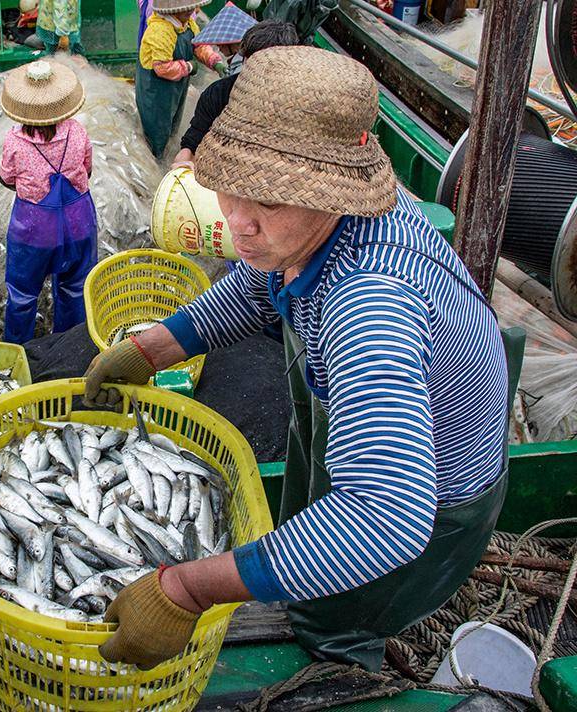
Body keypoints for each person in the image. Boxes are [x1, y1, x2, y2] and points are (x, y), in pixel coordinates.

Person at [86, 47, 514, 672]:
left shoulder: (371, 310)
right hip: (360, 444)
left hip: (430, 509)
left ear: (330, 194)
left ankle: (341, 665)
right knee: (311, 547)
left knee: (337, 615)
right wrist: (154, 347)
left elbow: (384, 520)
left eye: (268, 202)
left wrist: (187, 588)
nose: (238, 223)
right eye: (229, 191)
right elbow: (263, 280)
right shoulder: (319, 225)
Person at [0, 60, 97, 344]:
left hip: (33, 233)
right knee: (75, 289)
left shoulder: (14, 141)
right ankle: (68, 346)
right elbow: (87, 169)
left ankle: (19, 348)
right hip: (79, 226)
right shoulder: (77, 131)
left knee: (23, 294)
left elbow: (6, 178)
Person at [171, 19, 298, 171]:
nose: (255, 72)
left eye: (267, 68)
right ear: (244, 57)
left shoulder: (296, 106)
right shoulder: (218, 94)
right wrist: (182, 165)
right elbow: (192, 143)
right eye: (250, 62)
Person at [137, 0, 224, 159]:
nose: (193, 10)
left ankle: (167, 153)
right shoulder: (160, 30)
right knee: (158, 128)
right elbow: (162, 68)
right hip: (156, 89)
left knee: (173, 122)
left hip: (177, 86)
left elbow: (198, 45)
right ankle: (157, 159)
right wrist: (189, 67)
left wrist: (214, 61)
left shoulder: (188, 23)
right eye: (187, 8)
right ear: (173, 10)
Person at [190, 2, 258, 77]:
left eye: (220, 45)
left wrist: (215, 63)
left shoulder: (245, 64)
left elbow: (199, 47)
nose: (219, 49)